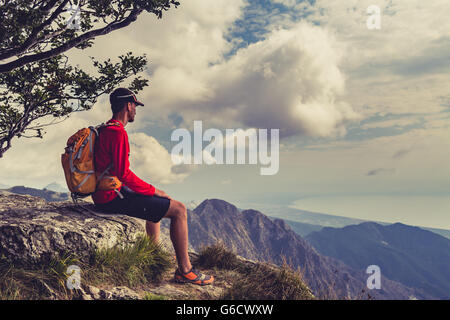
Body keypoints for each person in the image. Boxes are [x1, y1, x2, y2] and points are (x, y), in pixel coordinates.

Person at [92, 88, 214, 286]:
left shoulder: (105, 128)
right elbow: (124, 174)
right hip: (112, 197)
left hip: (105, 192)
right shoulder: (117, 132)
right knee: (179, 209)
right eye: (135, 106)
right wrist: (153, 190)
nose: (136, 111)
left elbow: (117, 172)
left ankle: (153, 257)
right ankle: (185, 270)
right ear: (128, 106)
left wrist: (152, 193)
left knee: (158, 203)